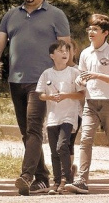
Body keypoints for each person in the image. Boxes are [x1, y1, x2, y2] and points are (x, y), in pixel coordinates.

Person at [0, 0, 71, 195]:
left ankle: (26, 175)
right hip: (16, 80)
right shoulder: (11, 15)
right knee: (26, 132)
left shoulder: (56, 15)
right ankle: (42, 177)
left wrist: (63, 77)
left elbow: (66, 49)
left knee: (33, 128)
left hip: (43, 81)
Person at [65, 14, 109, 194]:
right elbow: (81, 76)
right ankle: (81, 180)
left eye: (95, 29)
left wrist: (97, 75)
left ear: (105, 33)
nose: (90, 32)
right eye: (89, 29)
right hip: (90, 102)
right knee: (85, 139)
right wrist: (81, 81)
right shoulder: (86, 53)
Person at [36, 40, 84, 195]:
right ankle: (56, 182)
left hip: (69, 116)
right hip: (52, 118)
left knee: (61, 146)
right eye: (60, 51)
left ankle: (66, 179)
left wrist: (65, 96)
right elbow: (41, 94)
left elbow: (81, 94)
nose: (65, 53)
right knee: (53, 150)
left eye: (66, 51)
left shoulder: (74, 72)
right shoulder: (46, 74)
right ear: (52, 55)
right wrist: (50, 97)